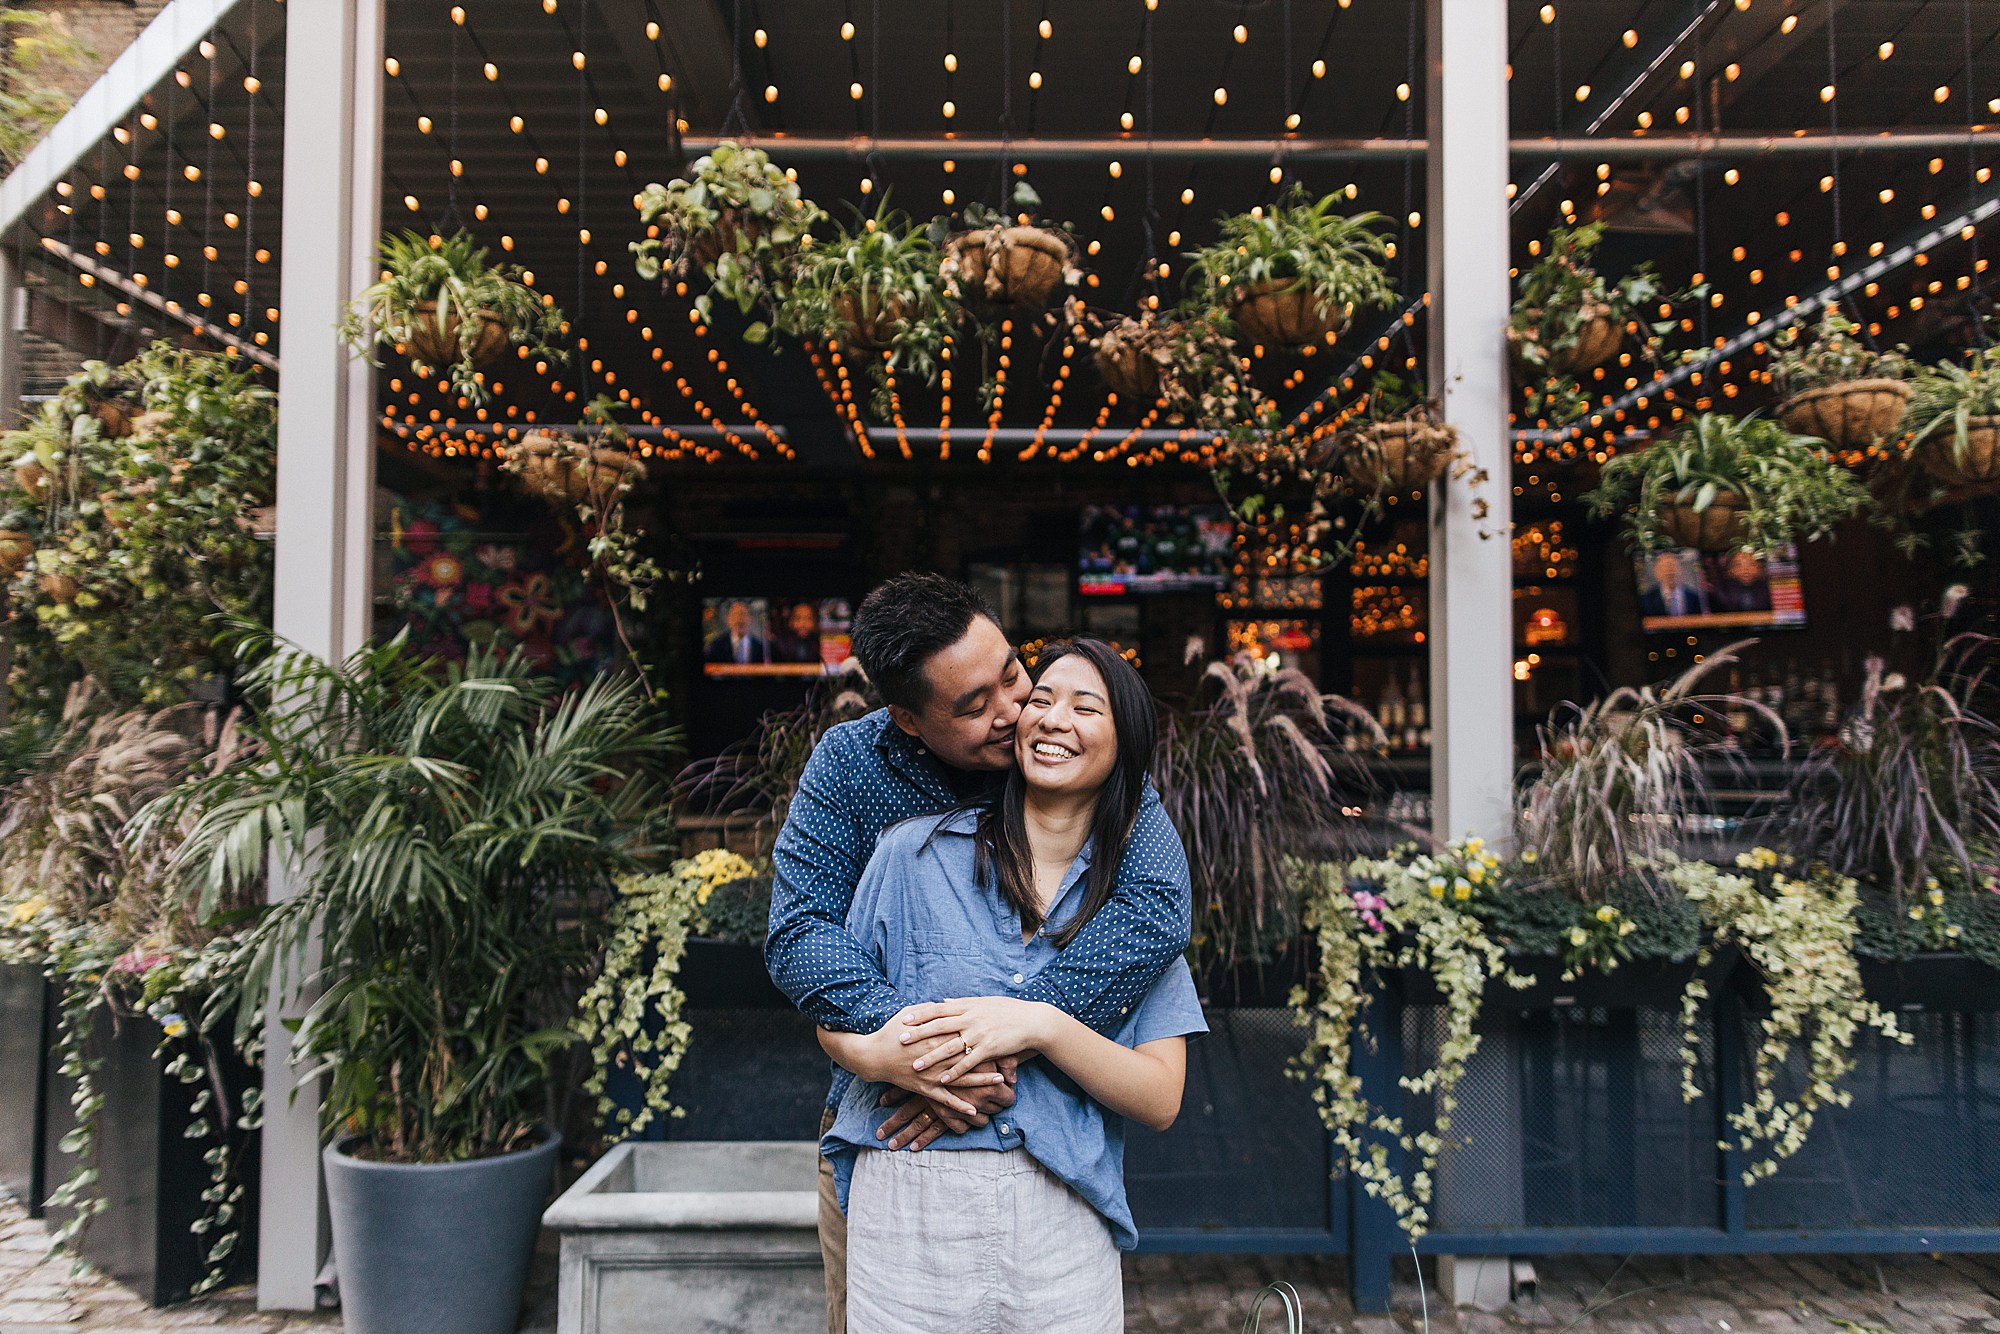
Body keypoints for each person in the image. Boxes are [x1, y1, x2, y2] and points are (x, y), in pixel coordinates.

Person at [764, 573, 1192, 1334]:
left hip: (1049, 1166)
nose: (1015, 711)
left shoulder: (1085, 773)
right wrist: (916, 1055)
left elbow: (1156, 912)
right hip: (891, 1129)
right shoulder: (854, 772)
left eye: (1012, 675)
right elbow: (801, 935)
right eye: (973, 706)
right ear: (906, 719)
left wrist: (1016, 1035)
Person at [1639, 551, 1709, 619]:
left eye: (1673, 566)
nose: (1670, 571)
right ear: (1657, 573)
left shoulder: (1695, 597)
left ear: (1681, 571)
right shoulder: (1646, 599)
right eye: (1665, 568)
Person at [1705, 549, 1773, 615]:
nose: (1745, 569)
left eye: (1751, 564)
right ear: (1730, 570)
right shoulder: (1719, 591)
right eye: (1739, 565)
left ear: (1759, 569)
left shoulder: (1770, 589)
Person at [704, 598, 768, 664]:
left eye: (743, 614)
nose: (739, 619)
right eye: (735, 614)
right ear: (728, 620)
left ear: (750, 619)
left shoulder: (760, 647)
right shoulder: (716, 646)